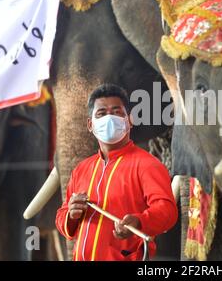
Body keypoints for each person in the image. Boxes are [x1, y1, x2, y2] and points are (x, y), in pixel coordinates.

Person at [55, 83, 178, 261]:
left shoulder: (148, 165)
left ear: (130, 120)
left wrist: (140, 221)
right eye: (101, 113)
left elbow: (167, 211)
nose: (110, 118)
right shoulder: (81, 169)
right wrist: (71, 215)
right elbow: (61, 216)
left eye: (117, 112)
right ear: (90, 124)